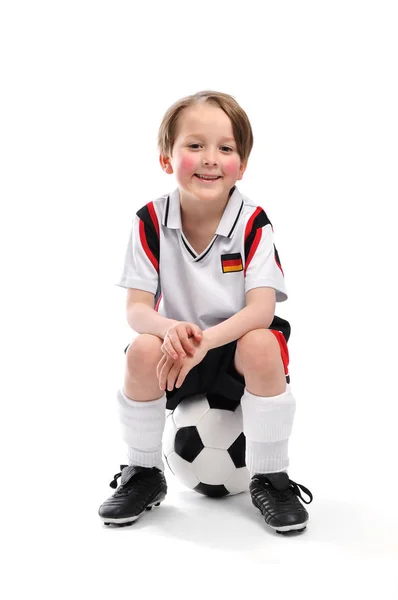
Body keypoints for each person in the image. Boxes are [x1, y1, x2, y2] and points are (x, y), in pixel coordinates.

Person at [98, 90, 313, 534]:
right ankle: (142, 472)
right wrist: (173, 330)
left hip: (233, 348)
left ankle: (271, 477)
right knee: (140, 350)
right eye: (194, 145)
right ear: (166, 158)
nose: (210, 158)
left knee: (261, 342)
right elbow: (137, 309)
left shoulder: (253, 222)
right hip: (179, 351)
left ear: (243, 164)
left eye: (225, 147)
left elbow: (261, 309)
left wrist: (206, 342)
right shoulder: (149, 221)